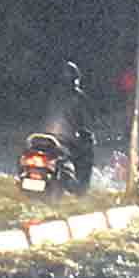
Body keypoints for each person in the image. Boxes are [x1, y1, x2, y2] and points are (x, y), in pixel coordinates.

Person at [41, 60, 95, 191]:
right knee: (86, 156)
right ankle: (80, 190)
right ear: (76, 80)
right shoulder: (79, 97)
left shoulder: (52, 94)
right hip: (67, 141)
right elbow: (88, 121)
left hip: (45, 138)